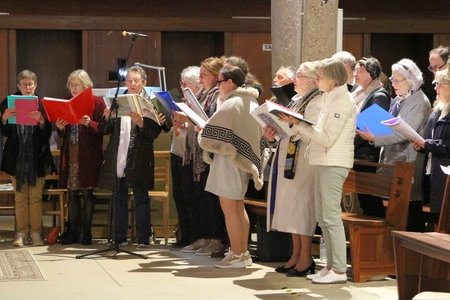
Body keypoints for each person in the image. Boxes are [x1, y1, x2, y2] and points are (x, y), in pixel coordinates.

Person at [281, 58, 356, 283]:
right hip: (323, 161)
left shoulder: (342, 101)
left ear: (332, 79)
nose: (316, 80)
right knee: (323, 217)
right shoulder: (330, 98)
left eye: (320, 77)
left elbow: (327, 138)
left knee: (331, 217)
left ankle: (339, 270)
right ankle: (331, 267)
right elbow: (319, 133)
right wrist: (297, 124)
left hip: (334, 162)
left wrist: (300, 125)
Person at [198, 65, 265, 268]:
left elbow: (210, 131)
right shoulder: (251, 102)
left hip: (229, 160)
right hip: (242, 161)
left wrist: (202, 129)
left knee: (230, 209)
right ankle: (242, 253)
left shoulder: (233, 103)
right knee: (238, 206)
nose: (218, 86)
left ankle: (237, 254)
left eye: (219, 81)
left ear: (230, 83)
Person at [357, 58, 431, 231]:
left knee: (410, 212)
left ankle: (409, 253)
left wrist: (374, 137)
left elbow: (402, 133)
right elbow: (386, 123)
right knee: (396, 211)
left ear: (411, 81)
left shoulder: (419, 102)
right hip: (394, 160)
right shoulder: (400, 99)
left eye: (398, 80)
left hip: (408, 162)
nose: (393, 83)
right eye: (392, 79)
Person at [264, 61, 322, 276]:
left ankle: (306, 257)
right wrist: (272, 133)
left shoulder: (317, 100)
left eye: (299, 75)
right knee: (291, 209)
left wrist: (290, 125)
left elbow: (312, 130)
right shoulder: (298, 99)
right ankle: (295, 254)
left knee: (302, 209)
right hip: (289, 155)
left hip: (305, 160)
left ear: (312, 79)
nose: (295, 79)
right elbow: (288, 127)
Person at [98, 65, 163, 248]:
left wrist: (141, 123)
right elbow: (105, 131)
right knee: (119, 196)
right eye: (129, 80)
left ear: (144, 82)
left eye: (136, 81)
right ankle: (119, 238)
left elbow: (153, 134)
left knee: (141, 196)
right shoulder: (118, 100)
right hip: (119, 153)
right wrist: (105, 117)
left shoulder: (150, 103)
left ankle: (143, 238)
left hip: (140, 156)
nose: (132, 84)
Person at [176, 57, 226, 257]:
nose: (201, 78)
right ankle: (203, 237)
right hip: (197, 152)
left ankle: (216, 239)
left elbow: (211, 121)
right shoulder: (204, 94)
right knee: (198, 198)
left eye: (204, 75)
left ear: (215, 76)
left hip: (209, 154)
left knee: (210, 200)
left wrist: (190, 118)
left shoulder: (217, 95)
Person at [0, 70, 55, 246]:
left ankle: (36, 233)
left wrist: (41, 122)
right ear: (18, 86)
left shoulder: (42, 105)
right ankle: (21, 234)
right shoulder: (8, 103)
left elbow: (47, 134)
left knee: (35, 198)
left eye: (31, 84)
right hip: (16, 159)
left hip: (37, 159)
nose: (27, 87)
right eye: (24, 84)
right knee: (20, 198)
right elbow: (4, 132)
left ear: (35, 85)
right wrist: (4, 119)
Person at [56, 69, 105, 245]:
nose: (73, 88)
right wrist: (60, 128)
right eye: (71, 85)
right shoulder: (67, 103)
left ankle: (87, 232)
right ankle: (73, 232)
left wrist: (89, 123)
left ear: (86, 86)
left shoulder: (97, 102)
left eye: (77, 85)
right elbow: (62, 134)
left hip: (88, 156)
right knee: (73, 194)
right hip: (71, 156)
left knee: (87, 194)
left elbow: (103, 129)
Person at [352, 57, 391, 217]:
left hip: (367, 155)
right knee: (364, 201)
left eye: (360, 71)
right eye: (354, 71)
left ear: (372, 73)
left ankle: (375, 238)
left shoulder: (379, 95)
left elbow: (371, 127)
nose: (355, 74)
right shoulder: (357, 93)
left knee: (369, 201)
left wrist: (349, 145)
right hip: (357, 151)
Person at [413, 61, 450, 227]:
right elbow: (428, 140)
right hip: (429, 171)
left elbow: (447, 145)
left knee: (444, 217)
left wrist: (426, 143)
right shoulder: (436, 113)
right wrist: (420, 146)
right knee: (433, 216)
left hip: (444, 173)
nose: (435, 88)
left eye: (439, 85)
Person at [170, 66, 202, 248]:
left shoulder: (200, 102)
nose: (181, 87)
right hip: (177, 150)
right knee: (179, 195)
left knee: (190, 196)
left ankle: (194, 235)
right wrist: (176, 125)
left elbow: (200, 126)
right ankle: (184, 233)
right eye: (181, 83)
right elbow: (178, 131)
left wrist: (186, 122)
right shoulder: (183, 102)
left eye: (185, 84)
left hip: (190, 154)